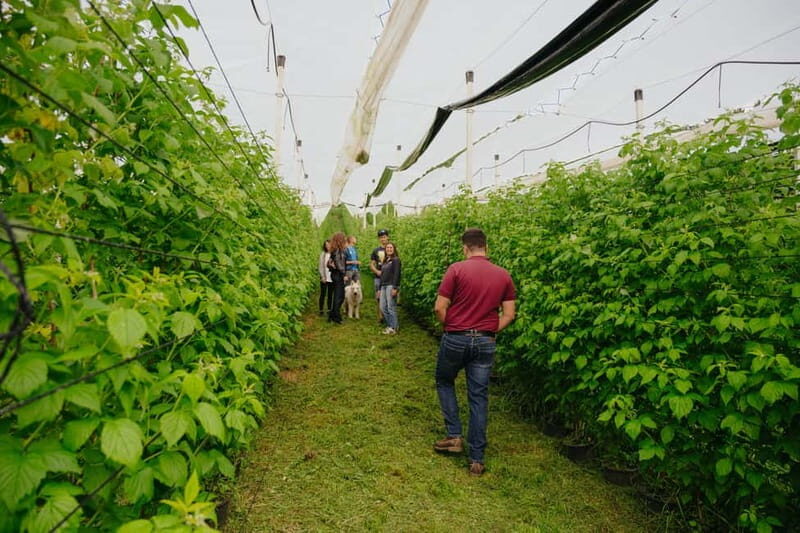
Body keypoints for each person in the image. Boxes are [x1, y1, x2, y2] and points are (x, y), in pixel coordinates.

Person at [432, 228, 516, 476]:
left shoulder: (456, 269)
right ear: (486, 247)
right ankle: (477, 459)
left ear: (465, 248)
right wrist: (490, 331)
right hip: (485, 341)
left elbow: (439, 307)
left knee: (445, 381)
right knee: (478, 396)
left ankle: (454, 436)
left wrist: (451, 327)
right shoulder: (503, 275)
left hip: (456, 337)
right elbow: (509, 314)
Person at [378, 242, 401, 335]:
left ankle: (394, 327)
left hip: (391, 285)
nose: (389, 249)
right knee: (382, 307)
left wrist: (395, 287)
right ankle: (390, 325)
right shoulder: (385, 260)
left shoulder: (396, 260)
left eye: (391, 247)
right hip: (383, 286)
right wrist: (379, 288)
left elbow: (397, 274)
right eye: (387, 248)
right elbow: (382, 275)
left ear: (394, 249)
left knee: (391, 307)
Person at [370, 229, 390, 323]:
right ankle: (380, 316)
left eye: (384, 237)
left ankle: (388, 315)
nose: (383, 239)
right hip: (378, 277)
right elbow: (372, 264)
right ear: (379, 239)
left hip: (389, 277)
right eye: (381, 237)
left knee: (388, 297)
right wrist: (376, 271)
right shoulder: (376, 250)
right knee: (379, 297)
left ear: (387, 237)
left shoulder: (391, 248)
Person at [327, 232, 347, 324]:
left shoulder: (334, 250)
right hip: (338, 275)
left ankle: (332, 315)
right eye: (344, 239)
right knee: (340, 297)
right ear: (340, 240)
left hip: (334, 274)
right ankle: (336, 317)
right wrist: (344, 274)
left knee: (337, 296)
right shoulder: (339, 251)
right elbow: (339, 265)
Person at [318, 240, 333, 316]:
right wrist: (322, 276)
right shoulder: (323, 255)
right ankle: (321, 310)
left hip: (331, 278)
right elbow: (320, 266)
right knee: (323, 294)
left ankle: (329, 309)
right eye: (326, 245)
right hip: (324, 277)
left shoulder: (333, 254)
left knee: (330, 295)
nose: (328, 246)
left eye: (329, 244)